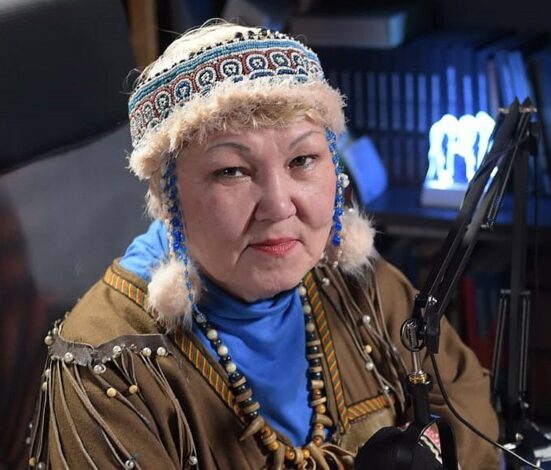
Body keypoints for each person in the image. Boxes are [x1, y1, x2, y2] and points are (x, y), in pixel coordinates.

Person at [27, 21, 499, 469]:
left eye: (303, 160)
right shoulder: (107, 366)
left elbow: (464, 404)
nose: (278, 206)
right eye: (231, 171)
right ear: (168, 198)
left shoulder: (354, 280)